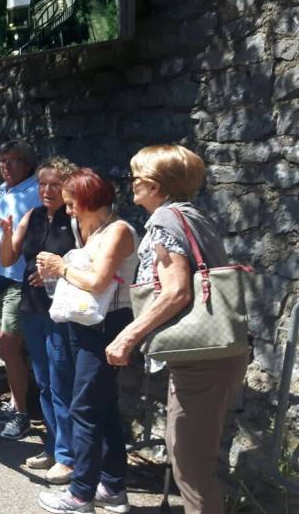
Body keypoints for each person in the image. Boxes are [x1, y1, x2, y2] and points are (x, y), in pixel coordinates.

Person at [106, 145, 246, 514]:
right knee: (188, 457)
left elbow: (177, 292)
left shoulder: (167, 220)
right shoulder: (190, 215)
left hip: (203, 360)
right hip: (208, 356)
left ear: (155, 185)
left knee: (191, 464)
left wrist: (128, 335)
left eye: (137, 176)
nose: (131, 183)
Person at [35, 168, 139, 514]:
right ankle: (113, 487)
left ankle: (80, 495)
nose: (68, 212)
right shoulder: (91, 230)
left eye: (71, 204)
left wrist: (61, 268)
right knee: (103, 406)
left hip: (106, 325)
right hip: (86, 325)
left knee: (84, 409)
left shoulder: (118, 231)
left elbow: (97, 281)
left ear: (88, 200)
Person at [0, 157, 79, 483]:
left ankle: (69, 456)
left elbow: (87, 263)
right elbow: (8, 258)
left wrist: (57, 268)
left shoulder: (75, 219)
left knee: (62, 382)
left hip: (63, 311)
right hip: (32, 308)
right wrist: (6, 234)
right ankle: (54, 446)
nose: (47, 190)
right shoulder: (31, 216)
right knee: (44, 382)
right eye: (43, 184)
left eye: (55, 185)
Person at [0, 140, 41, 440]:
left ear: (27, 163)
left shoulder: (36, 192)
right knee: (6, 346)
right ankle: (18, 402)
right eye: (2, 161)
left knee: (9, 342)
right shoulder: (6, 190)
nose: (6, 166)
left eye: (13, 160)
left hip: (16, 277)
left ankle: (22, 413)